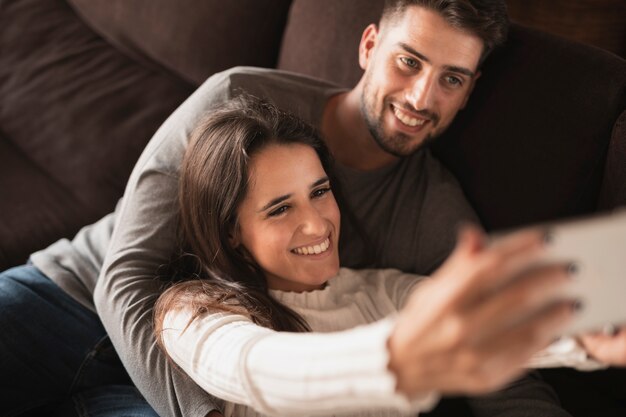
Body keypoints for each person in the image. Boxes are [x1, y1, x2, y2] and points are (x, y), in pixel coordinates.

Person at [0, 0, 620, 416]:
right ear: (370, 45)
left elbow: (497, 354)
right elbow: (127, 277)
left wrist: (585, 339)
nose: (420, 97)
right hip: (75, 295)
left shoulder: (435, 216)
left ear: (470, 90)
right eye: (409, 62)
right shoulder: (238, 96)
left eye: (452, 78)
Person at [153, 94, 578, 417]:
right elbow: (254, 366)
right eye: (281, 209)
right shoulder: (194, 313)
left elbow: (496, 322)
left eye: (320, 192)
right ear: (232, 232)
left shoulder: (384, 291)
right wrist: (401, 358)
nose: (318, 225)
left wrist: (589, 337)